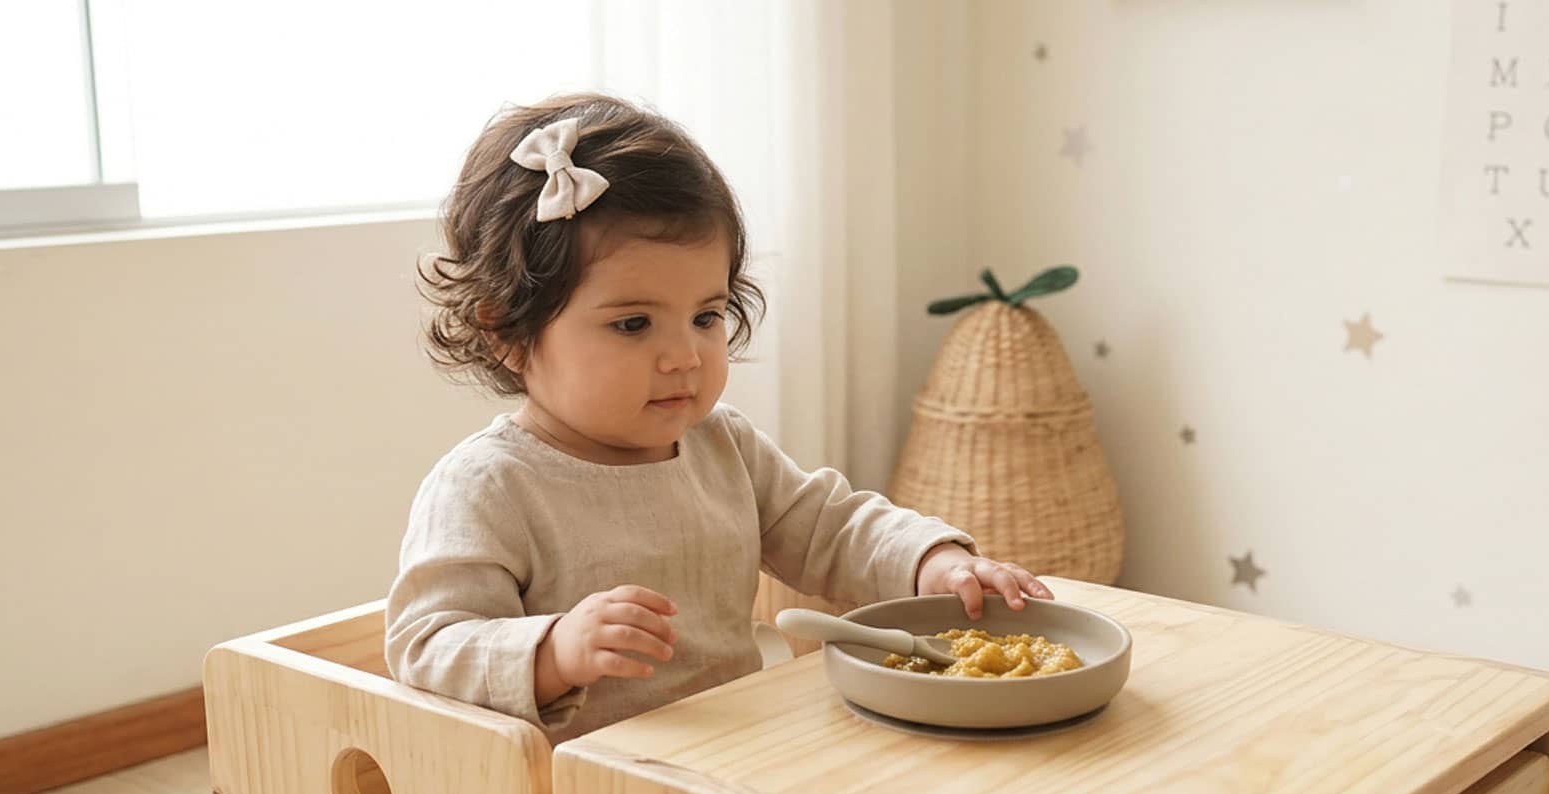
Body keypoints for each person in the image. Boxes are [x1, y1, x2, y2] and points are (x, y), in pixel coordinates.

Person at [385, 92, 1051, 742]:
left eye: (706, 316)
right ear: (508, 332)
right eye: (633, 324)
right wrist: (553, 651)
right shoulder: (489, 486)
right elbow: (426, 644)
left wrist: (929, 563)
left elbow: (832, 529)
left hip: (738, 758)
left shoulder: (717, 442)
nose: (685, 357)